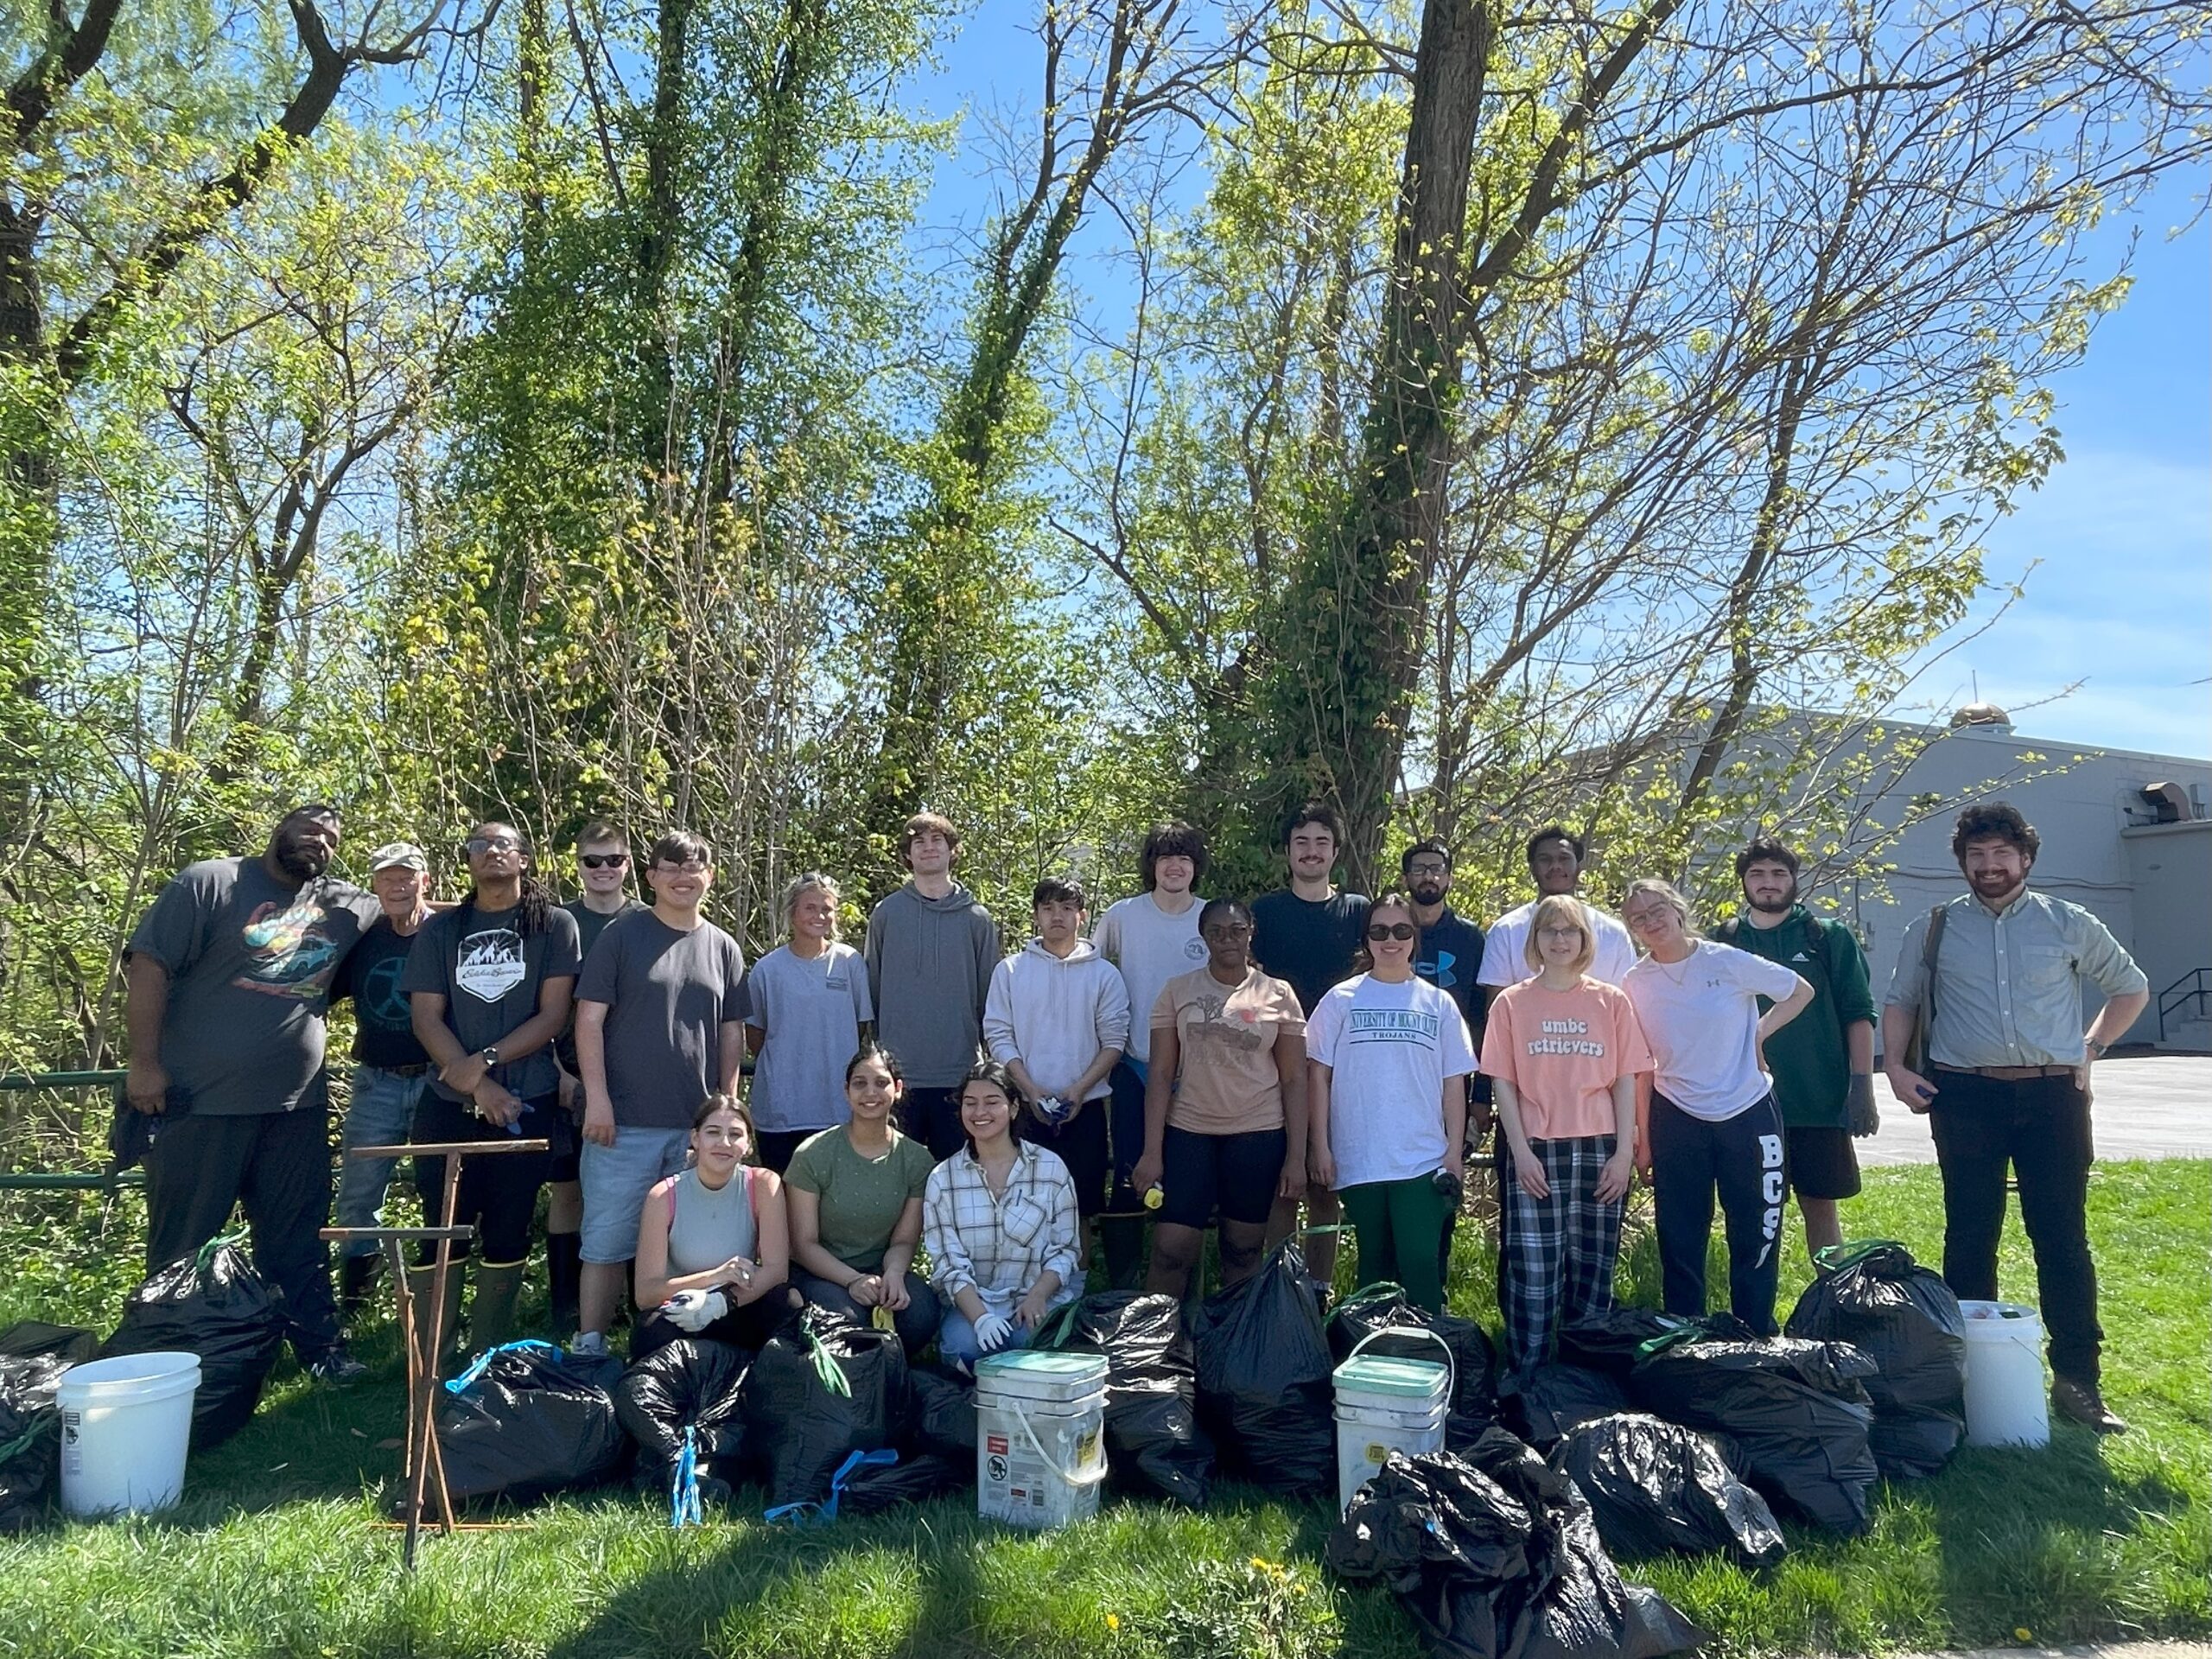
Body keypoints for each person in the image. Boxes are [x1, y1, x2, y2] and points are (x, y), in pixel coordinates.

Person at [1882, 802, 2148, 1434]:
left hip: (2053, 1100)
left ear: (2025, 858)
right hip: (1966, 1098)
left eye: (2002, 854)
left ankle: (2078, 1381)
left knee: (2061, 1239)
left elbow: (2129, 986)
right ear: (1963, 863)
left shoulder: (2068, 922)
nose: (1990, 866)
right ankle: (1972, 1378)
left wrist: (2091, 1048)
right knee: (1970, 1236)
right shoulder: (1935, 926)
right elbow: (1901, 1001)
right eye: (1977, 856)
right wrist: (1893, 1067)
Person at [123, 804, 381, 1382]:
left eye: (332, 835)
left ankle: (319, 1353)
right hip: (198, 1104)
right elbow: (148, 967)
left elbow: (413, 912)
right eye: (309, 827)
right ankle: (167, 1363)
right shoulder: (209, 882)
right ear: (278, 828)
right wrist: (143, 1064)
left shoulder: (343, 905)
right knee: (184, 1242)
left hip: (296, 1109)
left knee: (298, 1238)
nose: (319, 838)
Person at [403, 821, 580, 1363]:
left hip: (528, 1102)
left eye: (504, 845)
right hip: (449, 1105)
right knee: (441, 1227)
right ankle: (430, 1355)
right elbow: (425, 1017)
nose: (493, 853)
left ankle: (487, 1357)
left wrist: (486, 1061)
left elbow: (553, 1014)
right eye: (480, 846)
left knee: (507, 1228)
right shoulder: (442, 930)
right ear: (468, 860)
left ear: (524, 859)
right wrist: (478, 1083)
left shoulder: (554, 925)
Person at [574, 830, 749, 1357]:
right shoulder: (622, 937)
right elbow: (587, 1021)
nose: (682, 877)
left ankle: (676, 1349)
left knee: (689, 1249)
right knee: (606, 1243)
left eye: (694, 867)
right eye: (670, 867)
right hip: (621, 1124)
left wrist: (725, 1115)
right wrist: (597, 1099)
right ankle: (590, 1347)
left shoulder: (723, 946)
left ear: (709, 878)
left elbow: (732, 1032)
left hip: (693, 1129)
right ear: (650, 877)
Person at [1620, 877, 1812, 1336]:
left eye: (1657, 911)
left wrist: (1759, 1033)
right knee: (1681, 1235)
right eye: (1639, 918)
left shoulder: (1724, 960)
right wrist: (1643, 1140)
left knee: (1755, 1231)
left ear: (1677, 909)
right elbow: (1639, 1065)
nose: (1651, 922)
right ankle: (1686, 1333)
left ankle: (1755, 1332)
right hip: (1676, 1114)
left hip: (1747, 1109)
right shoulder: (1633, 982)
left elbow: (1799, 990)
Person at [1481, 895, 1649, 1376]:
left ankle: (1587, 1380)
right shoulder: (1512, 1003)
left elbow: (1624, 1079)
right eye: (1549, 931)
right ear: (1534, 940)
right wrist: (1519, 1152)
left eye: (1569, 931)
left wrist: (1623, 1152)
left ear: (1584, 941)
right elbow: (1503, 1082)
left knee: (1594, 1269)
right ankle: (1528, 1377)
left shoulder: (1610, 1001)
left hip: (1599, 1149)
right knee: (1535, 1274)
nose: (1559, 940)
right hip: (1536, 1151)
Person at [1128, 897, 1306, 1298]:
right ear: (1203, 937)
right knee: (1172, 1248)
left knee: (1242, 1249)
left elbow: (1294, 1079)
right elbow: (1159, 1074)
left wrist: (1297, 1156)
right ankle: (1156, 1342)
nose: (1227, 939)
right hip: (1190, 1131)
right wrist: (1151, 1151)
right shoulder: (1177, 991)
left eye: (1236, 930)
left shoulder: (1278, 994)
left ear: (1251, 933)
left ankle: (1233, 1345)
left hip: (1257, 1134)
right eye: (1217, 932)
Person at [1306, 893, 1476, 1314]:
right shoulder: (1340, 1000)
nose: (1390, 940)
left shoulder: (1439, 1004)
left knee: (1420, 1263)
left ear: (1414, 938)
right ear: (1366, 939)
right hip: (1358, 1157)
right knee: (1373, 1270)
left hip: (1421, 1158)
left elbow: (1454, 1084)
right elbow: (1317, 1077)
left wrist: (1453, 1152)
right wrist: (1320, 1147)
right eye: (1379, 931)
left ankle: (1431, 1355)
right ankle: (1372, 1365)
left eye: (1401, 931)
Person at [1715, 837, 1878, 1254]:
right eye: (1757, 875)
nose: (1768, 883)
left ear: (1794, 880)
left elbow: (1858, 1013)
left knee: (1819, 1208)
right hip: (1747, 1102)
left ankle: (1831, 1305)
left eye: (1778, 874)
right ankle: (1754, 1311)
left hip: (1817, 1102)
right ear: (1743, 883)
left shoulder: (1827, 937)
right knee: (1753, 1208)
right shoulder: (1725, 941)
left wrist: (1862, 1086)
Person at [1250, 800, 1369, 1286]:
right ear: (1287, 852)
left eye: (1322, 842)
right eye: (1302, 842)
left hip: (1341, 1062)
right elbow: (1248, 988)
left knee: (1324, 1180)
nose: (1312, 851)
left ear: (1336, 851)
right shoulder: (1265, 912)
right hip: (1276, 1060)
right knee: (1281, 1181)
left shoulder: (1358, 910)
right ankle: (1274, 1289)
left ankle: (1319, 1287)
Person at [1090, 823, 1211, 1288]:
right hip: (1136, 1065)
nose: (1175, 866)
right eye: (1165, 857)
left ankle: (1179, 1290)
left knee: (1186, 1182)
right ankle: (1122, 1290)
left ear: (1195, 867)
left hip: (1198, 1073)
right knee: (1128, 1177)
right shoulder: (1123, 915)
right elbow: (1091, 970)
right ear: (1152, 866)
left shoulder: (1210, 917)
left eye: (1184, 857)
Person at [982, 875, 1130, 1251]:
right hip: (1023, 1108)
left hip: (1087, 1108)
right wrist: (1030, 1091)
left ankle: (1075, 1299)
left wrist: (1078, 1091)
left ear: (1081, 916)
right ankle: (1022, 1296)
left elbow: (1114, 1041)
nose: (1057, 916)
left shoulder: (1104, 974)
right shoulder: (1011, 971)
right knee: (1019, 1205)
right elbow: (998, 1034)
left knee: (1079, 1208)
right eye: (1048, 908)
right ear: (1036, 916)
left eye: (1066, 908)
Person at [328, 842, 436, 1321]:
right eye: (386, 878)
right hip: (376, 1082)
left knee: (442, 1189)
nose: (397, 885)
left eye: (406, 876)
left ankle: (435, 1300)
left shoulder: (449, 933)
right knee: (358, 1195)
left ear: (425, 880)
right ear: (374, 886)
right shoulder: (361, 938)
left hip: (440, 1080)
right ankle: (357, 1310)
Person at [548, 818, 645, 1335]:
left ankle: (636, 1301)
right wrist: (559, 1072)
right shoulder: (557, 922)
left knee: (638, 1194)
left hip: (631, 1081)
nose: (604, 869)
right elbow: (541, 1007)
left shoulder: (649, 918)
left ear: (629, 865)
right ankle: (565, 1300)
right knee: (570, 1192)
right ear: (578, 864)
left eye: (614, 860)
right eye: (593, 860)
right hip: (568, 1077)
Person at [922, 1061, 1082, 1372]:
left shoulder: (1050, 1168)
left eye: (992, 1102)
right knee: (966, 1350)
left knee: (1032, 1348)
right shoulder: (943, 1178)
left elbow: (1065, 1250)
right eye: (970, 1104)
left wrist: (1037, 1296)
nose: (980, 1112)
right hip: (974, 1304)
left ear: (1013, 1108)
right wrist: (980, 1318)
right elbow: (948, 1263)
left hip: (1036, 1299)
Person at [785, 1045, 942, 1354]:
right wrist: (853, 1280)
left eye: (881, 1082)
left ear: (897, 1090)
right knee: (847, 1322)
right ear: (846, 1092)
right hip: (821, 1273)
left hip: (882, 1270)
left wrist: (895, 1274)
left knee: (920, 1313)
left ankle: (890, 1379)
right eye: (860, 1083)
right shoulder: (813, 1154)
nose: (870, 1092)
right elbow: (803, 1244)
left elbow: (904, 1241)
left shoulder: (917, 1160)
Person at [863, 812, 1001, 1160]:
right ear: (907, 854)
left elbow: (990, 1001)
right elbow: (871, 993)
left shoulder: (978, 919)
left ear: (953, 850)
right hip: (897, 1078)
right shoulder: (886, 914)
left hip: (959, 1075)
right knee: (897, 1183)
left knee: (957, 1180)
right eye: (918, 841)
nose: (928, 848)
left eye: (937, 840)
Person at [629, 1093, 794, 1360]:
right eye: (713, 1132)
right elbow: (646, 1294)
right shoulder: (663, 1196)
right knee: (649, 1331)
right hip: (682, 1309)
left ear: (749, 1145)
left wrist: (721, 1302)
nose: (724, 1143)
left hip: (737, 1303)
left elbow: (777, 1271)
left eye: (735, 1134)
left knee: (786, 1302)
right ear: (695, 1139)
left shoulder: (763, 1184)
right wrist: (714, 1277)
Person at [746, 872, 874, 1173]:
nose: (820, 915)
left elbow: (859, 1027)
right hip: (782, 1111)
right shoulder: (767, 970)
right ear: (792, 913)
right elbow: (755, 1037)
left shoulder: (849, 962)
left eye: (827, 908)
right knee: (783, 1203)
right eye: (810, 907)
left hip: (838, 1109)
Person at [1477, 826, 1637, 995]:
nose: (1556, 866)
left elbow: (1626, 1007)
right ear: (1532, 868)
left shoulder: (1613, 933)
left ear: (1580, 866)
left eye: (1564, 858)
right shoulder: (1506, 931)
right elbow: (1497, 1012)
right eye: (1545, 859)